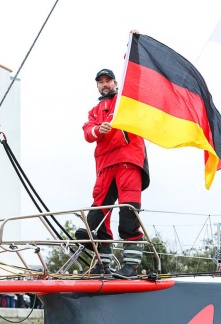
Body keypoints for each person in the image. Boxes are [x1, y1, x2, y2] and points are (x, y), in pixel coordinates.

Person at [81, 67, 150, 279]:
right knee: (98, 214)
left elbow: (137, 80)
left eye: (108, 80)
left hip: (128, 161)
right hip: (105, 166)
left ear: (116, 83)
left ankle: (131, 266)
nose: (105, 84)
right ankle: (103, 265)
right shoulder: (94, 110)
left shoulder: (127, 100)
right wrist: (96, 130)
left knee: (128, 214)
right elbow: (87, 131)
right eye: (101, 81)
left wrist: (135, 46)